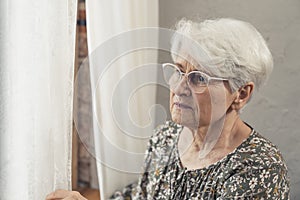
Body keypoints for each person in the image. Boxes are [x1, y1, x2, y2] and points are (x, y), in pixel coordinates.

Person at [46, 18, 290, 200]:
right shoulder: (165, 137)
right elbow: (140, 196)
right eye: (178, 71)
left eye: (198, 78)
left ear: (241, 94)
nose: (178, 87)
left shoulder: (260, 167)